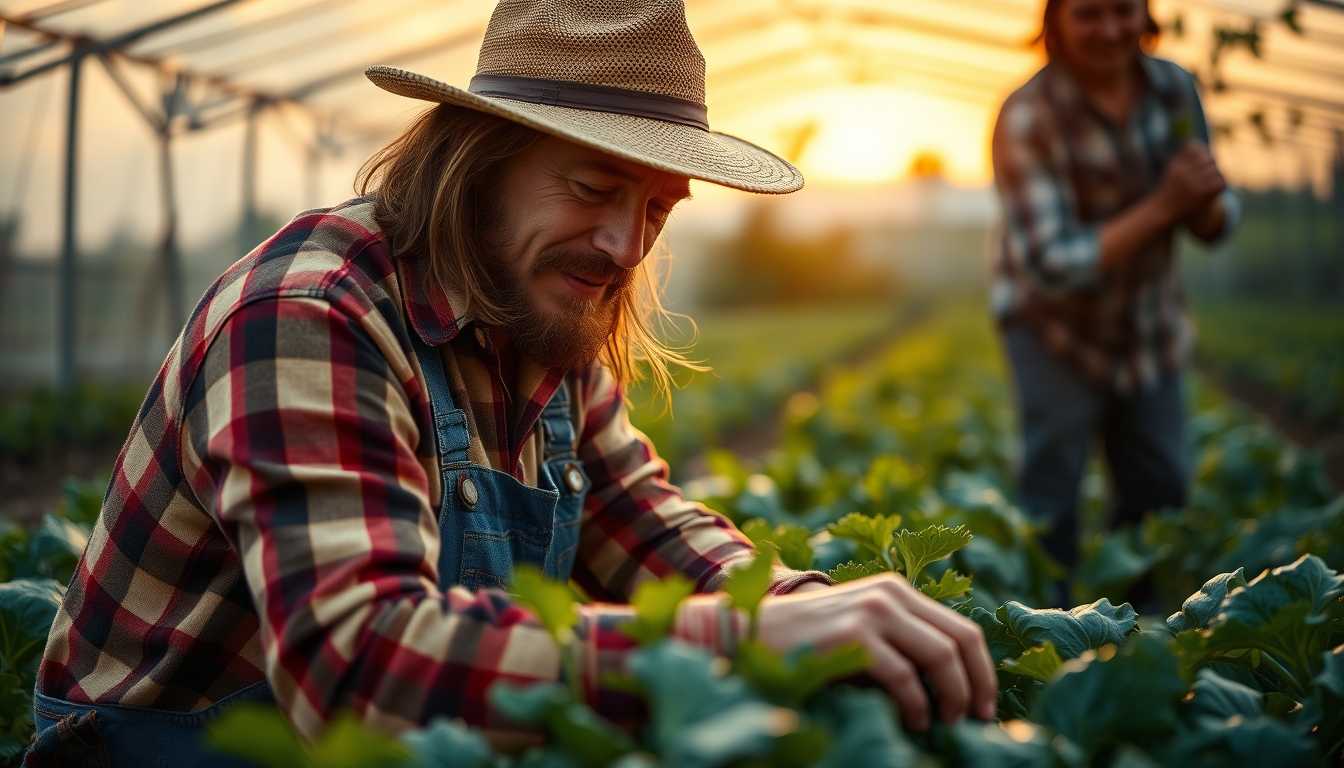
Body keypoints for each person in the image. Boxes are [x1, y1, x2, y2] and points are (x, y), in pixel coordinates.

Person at [28, 1, 995, 764]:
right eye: (592, 187)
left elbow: (650, 528)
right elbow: (362, 670)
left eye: (657, 208)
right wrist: (741, 646)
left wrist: (801, 604)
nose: (625, 246)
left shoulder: (535, 312)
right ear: (480, 157)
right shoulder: (307, 316)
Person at [990, 0, 1239, 603]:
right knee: (1051, 496)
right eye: (1089, 15)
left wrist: (1201, 200)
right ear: (1056, 24)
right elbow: (1050, 266)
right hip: (1053, 331)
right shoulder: (1028, 115)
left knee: (1160, 488)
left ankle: (1138, 633)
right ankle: (1045, 634)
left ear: (1145, 16)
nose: (1110, 30)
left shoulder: (1175, 90)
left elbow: (1216, 219)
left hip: (1147, 325)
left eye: (1123, 12)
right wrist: (1164, 204)